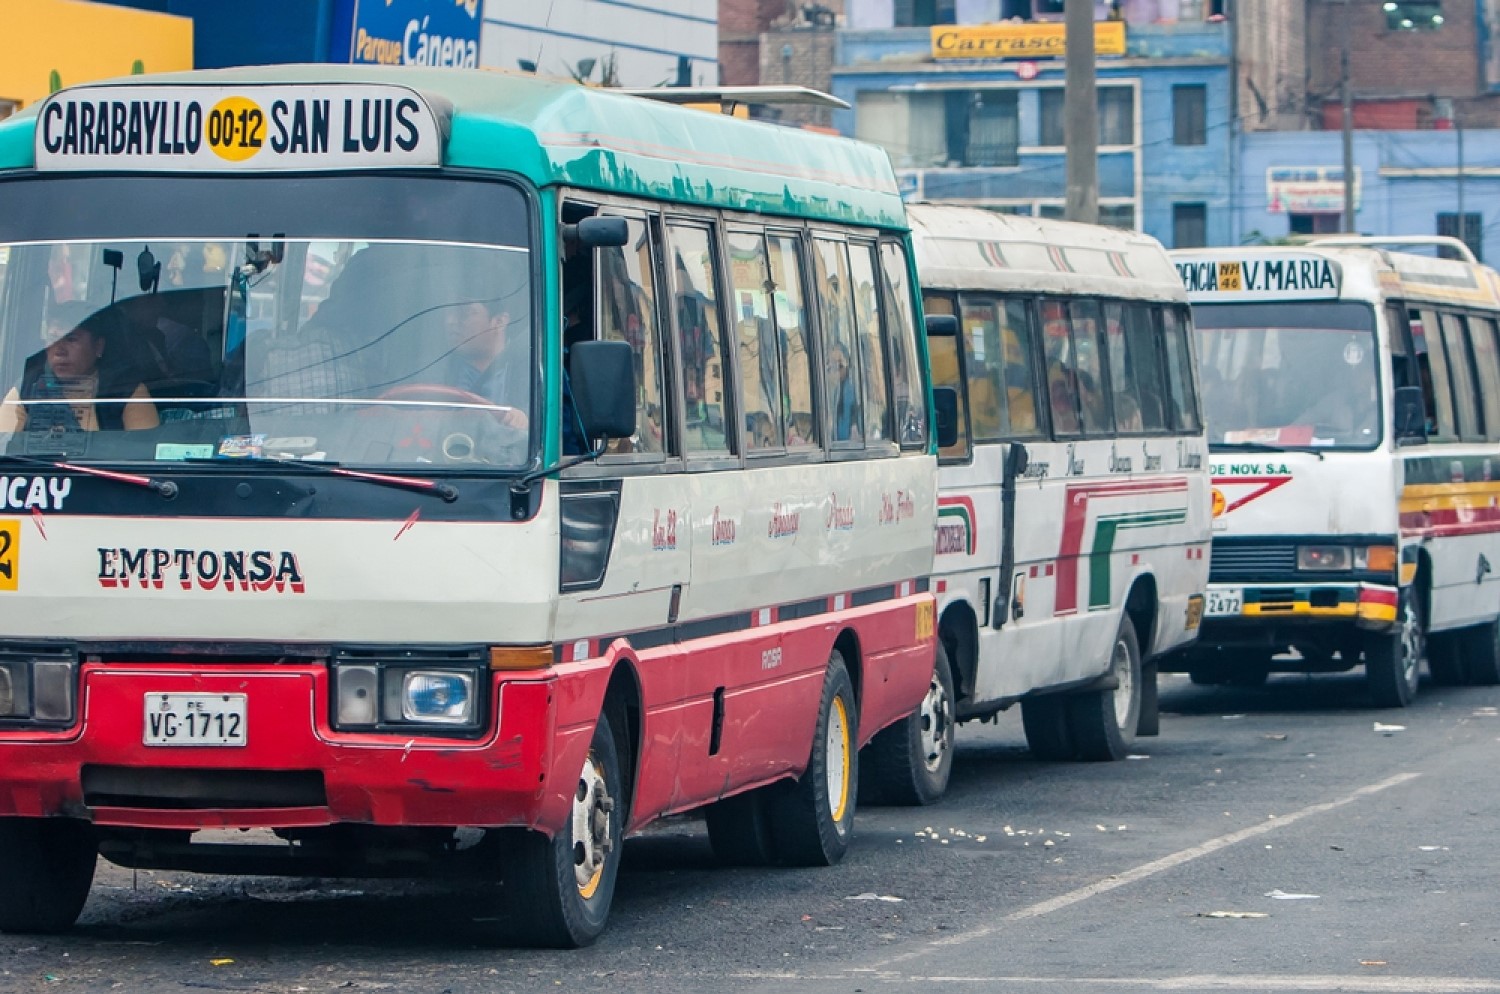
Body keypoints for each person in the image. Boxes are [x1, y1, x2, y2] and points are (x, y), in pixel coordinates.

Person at [0, 302, 159, 433]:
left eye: (71, 339)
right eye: (52, 338)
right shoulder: (27, 387)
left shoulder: (126, 390)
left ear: (98, 346)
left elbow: (144, 450)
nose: (59, 350)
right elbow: (3, 444)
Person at [444, 298, 528, 430]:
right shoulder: (435, 371)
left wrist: (524, 419)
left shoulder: (534, 370)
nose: (451, 321)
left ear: (499, 321)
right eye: (449, 313)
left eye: (465, 313)